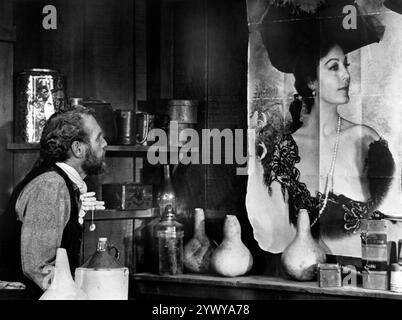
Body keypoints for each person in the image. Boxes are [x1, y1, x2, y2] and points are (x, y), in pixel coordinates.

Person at [247, 0, 397, 258]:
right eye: (334, 67)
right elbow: (272, 230)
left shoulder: (366, 140)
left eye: (346, 65)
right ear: (311, 81)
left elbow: (392, 210)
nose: (346, 76)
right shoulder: (284, 149)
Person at [0, 105, 107, 299]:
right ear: (78, 148)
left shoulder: (58, 182)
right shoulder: (51, 185)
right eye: (99, 138)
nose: (105, 143)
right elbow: (39, 267)